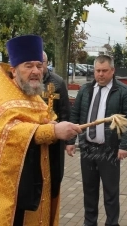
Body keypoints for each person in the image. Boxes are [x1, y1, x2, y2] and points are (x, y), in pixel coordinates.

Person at [0, 35, 82, 226]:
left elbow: (44, 120)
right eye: (28, 66)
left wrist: (56, 126)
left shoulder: (32, 94)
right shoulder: (1, 95)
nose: (36, 71)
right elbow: (6, 132)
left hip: (34, 184)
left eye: (39, 66)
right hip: (6, 189)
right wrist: (52, 132)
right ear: (14, 70)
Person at [66, 54, 127, 226]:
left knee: (110, 192)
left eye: (105, 71)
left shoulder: (123, 92)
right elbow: (75, 115)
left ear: (112, 71)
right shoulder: (85, 90)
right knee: (89, 190)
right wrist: (70, 141)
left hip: (110, 150)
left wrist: (124, 145)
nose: (100, 74)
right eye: (98, 70)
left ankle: (112, 223)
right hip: (88, 149)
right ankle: (89, 222)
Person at [42, 51, 70, 205]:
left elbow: (65, 111)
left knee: (54, 175)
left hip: (55, 138)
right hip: (36, 137)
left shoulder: (58, 82)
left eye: (42, 63)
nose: (38, 68)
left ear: (47, 63)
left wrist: (68, 140)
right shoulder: (28, 82)